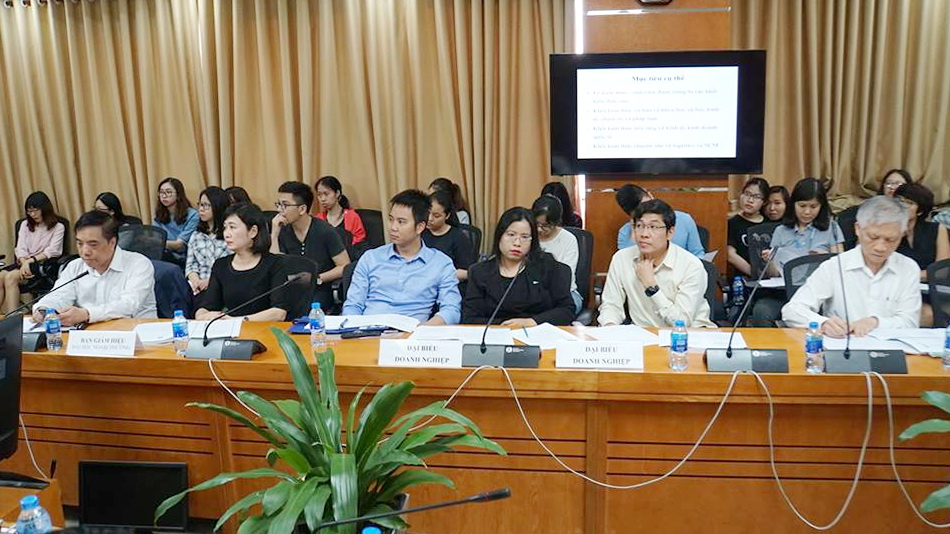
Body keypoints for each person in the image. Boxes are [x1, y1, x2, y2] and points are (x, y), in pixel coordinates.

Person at [782, 195, 921, 335]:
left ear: (902, 234)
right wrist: (823, 323)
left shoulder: (908, 268)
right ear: (858, 229)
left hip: (889, 346)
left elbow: (910, 322)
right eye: (873, 237)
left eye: (890, 239)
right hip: (842, 344)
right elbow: (792, 310)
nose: (881, 247)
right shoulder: (835, 266)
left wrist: (875, 322)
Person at [343, 189, 461, 324]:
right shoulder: (371, 258)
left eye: (401, 222)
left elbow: (451, 310)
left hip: (412, 333)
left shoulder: (440, 264)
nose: (393, 227)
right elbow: (353, 305)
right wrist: (355, 328)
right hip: (369, 331)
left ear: (420, 227)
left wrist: (424, 329)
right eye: (391, 219)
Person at [598, 199, 714, 328]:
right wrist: (610, 327)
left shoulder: (691, 265)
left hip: (689, 334)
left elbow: (681, 322)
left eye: (653, 227)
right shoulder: (622, 258)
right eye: (639, 226)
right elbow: (611, 305)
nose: (644, 234)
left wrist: (651, 286)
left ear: (670, 232)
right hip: (643, 334)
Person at [31, 210, 156, 325]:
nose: (85, 251)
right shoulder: (75, 267)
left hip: (137, 334)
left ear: (112, 243)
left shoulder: (139, 264)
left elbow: (129, 305)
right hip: (89, 336)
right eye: (80, 243)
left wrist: (87, 314)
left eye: (93, 244)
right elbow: (59, 296)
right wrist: (44, 309)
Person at [463, 207, 574, 326]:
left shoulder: (547, 266)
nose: (517, 243)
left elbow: (567, 310)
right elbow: (470, 318)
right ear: (499, 236)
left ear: (533, 241)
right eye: (511, 235)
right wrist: (506, 326)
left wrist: (532, 322)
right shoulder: (479, 272)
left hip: (538, 332)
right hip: (496, 334)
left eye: (525, 237)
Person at [195, 203, 292, 322]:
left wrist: (237, 321)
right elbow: (207, 306)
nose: (226, 234)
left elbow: (279, 313)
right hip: (230, 330)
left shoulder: (274, 264)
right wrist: (201, 315)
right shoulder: (221, 265)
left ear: (253, 231)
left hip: (264, 329)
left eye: (232, 227)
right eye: (225, 227)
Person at [270, 181, 350, 310]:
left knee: (305, 309)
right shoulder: (282, 230)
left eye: (285, 205)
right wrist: (274, 234)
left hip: (319, 289)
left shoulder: (324, 230)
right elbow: (274, 266)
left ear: (302, 209)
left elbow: (344, 266)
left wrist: (316, 278)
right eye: (278, 204)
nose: (279, 210)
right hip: (290, 289)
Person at [762, 177, 843, 276]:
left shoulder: (832, 228)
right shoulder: (780, 231)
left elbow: (840, 267)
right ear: (793, 204)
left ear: (821, 206)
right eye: (802, 206)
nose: (807, 212)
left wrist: (825, 258)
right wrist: (769, 261)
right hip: (787, 284)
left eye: (813, 207)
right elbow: (773, 275)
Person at [0, 192, 65, 313]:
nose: (33, 214)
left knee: (10, 277)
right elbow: (20, 248)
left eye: (36, 210)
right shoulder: (25, 224)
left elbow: (53, 251)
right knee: (0, 276)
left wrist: (29, 261)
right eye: (29, 211)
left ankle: (12, 316)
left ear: (45, 209)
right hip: (23, 262)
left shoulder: (58, 226)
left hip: (43, 264)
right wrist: (23, 261)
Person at [615, 184, 705, 257]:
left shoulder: (684, 219)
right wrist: (635, 228)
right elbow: (626, 262)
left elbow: (697, 254)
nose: (647, 210)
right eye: (639, 212)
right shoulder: (624, 233)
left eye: (647, 203)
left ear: (650, 195)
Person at [532, 195, 582, 313]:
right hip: (532, 292)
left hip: (564, 293)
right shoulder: (528, 236)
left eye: (545, 225)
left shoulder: (568, 239)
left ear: (556, 222)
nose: (539, 229)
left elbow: (564, 277)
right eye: (536, 224)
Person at [893, 182, 950, 281]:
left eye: (909, 203)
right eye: (899, 200)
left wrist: (910, 277)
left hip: (929, 286)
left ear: (920, 211)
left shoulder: (937, 229)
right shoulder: (884, 228)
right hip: (893, 283)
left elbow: (941, 271)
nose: (902, 205)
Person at [185, 186, 232, 296]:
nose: (201, 209)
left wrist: (210, 282)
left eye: (206, 205)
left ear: (217, 206)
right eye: (200, 205)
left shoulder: (230, 235)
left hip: (224, 287)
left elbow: (231, 268)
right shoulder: (196, 235)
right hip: (199, 288)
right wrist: (196, 281)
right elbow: (191, 265)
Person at [422, 190, 476, 281]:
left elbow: (467, 272)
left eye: (436, 216)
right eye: (427, 213)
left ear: (447, 216)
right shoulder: (420, 232)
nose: (430, 219)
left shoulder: (458, 237)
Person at [727, 177, 770, 276]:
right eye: (747, 194)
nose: (750, 200)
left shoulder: (768, 224)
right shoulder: (733, 223)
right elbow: (730, 255)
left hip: (769, 277)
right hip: (743, 278)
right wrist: (755, 274)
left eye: (757, 197)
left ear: (764, 202)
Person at [314, 175, 367, 254]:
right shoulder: (317, 219)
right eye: (319, 195)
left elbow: (359, 241)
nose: (322, 199)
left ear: (337, 193)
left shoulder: (352, 216)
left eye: (326, 194)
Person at [153, 177, 199, 266]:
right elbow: (156, 238)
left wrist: (157, 243)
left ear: (178, 195)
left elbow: (179, 245)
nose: (164, 196)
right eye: (161, 192)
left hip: (182, 258)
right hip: (162, 253)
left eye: (168, 192)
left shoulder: (193, 215)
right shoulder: (159, 214)